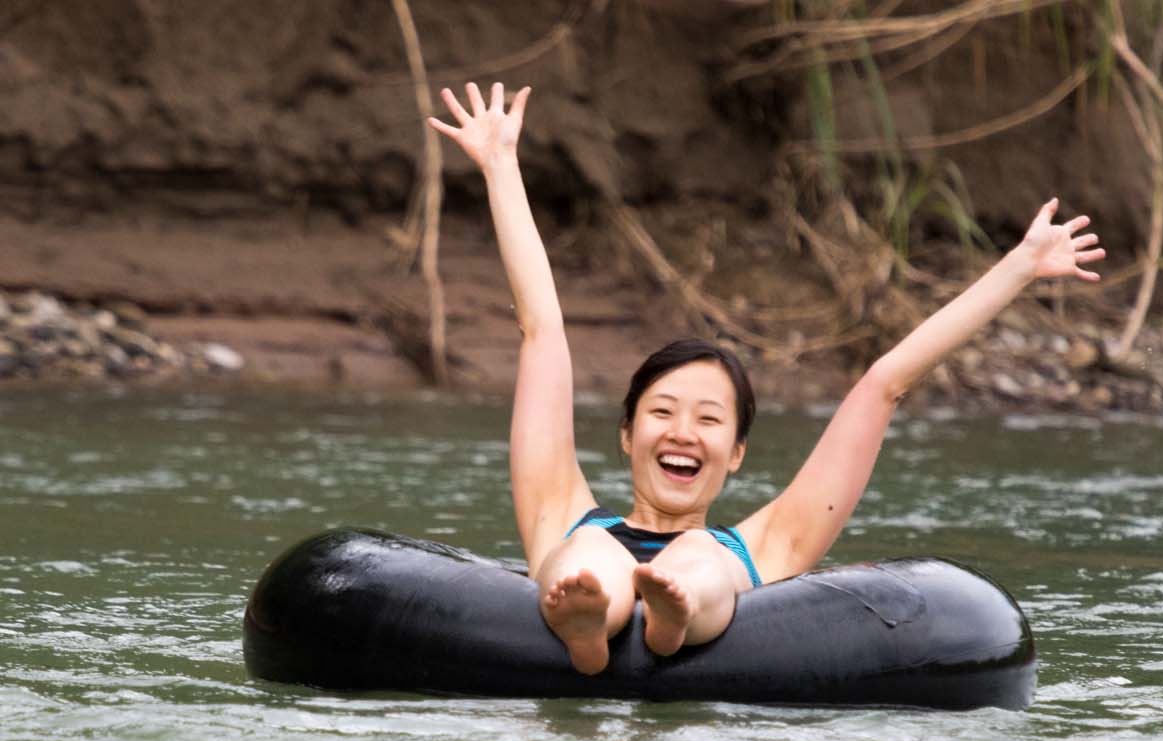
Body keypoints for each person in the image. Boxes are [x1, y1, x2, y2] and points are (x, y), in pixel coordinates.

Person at [428, 81, 1106, 675]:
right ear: (628, 434)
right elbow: (541, 330)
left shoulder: (767, 543)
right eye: (662, 412)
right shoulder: (560, 510)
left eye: (709, 419)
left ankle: (674, 612)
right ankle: (589, 616)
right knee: (589, 550)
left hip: (704, 582)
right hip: (584, 573)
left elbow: (885, 382)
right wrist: (500, 167)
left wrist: (1018, 267)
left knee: (699, 556)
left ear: (737, 451)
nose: (683, 432)